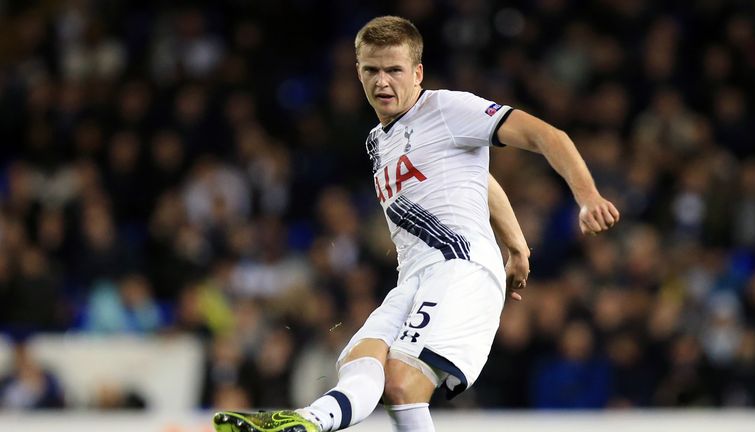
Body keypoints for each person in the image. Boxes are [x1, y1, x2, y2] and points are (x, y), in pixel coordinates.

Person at [213, 15, 619, 432]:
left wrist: (587, 199)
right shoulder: (377, 140)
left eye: (394, 70)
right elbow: (482, 180)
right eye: (371, 70)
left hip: (460, 269)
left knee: (402, 382)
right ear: (358, 72)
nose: (382, 82)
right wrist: (517, 247)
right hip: (413, 279)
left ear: (417, 72)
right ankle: (307, 421)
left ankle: (308, 424)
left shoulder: (446, 109)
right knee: (361, 360)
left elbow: (546, 135)